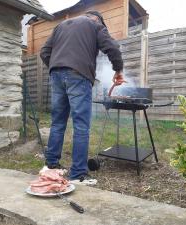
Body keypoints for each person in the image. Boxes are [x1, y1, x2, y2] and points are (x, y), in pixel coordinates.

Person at [40, 11, 124, 185]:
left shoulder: (61, 26)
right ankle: (78, 174)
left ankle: (51, 166)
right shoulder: (95, 24)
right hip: (78, 76)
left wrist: (57, 67)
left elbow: (44, 52)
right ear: (98, 19)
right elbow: (112, 48)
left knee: (57, 123)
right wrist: (118, 70)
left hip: (56, 75)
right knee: (81, 126)